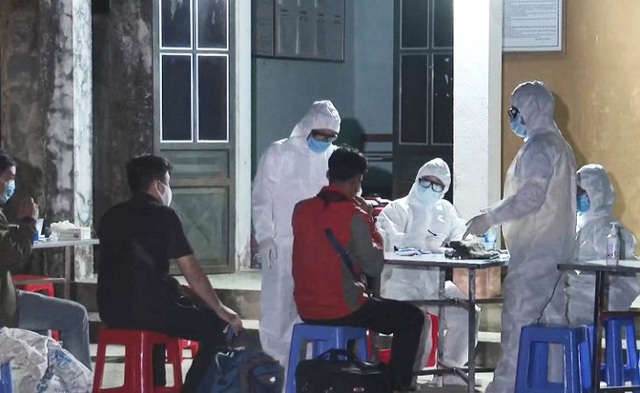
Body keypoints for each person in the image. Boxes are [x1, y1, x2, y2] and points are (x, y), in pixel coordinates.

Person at [464, 81, 577, 393]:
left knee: (517, 327)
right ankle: (553, 386)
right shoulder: (557, 145)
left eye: (515, 111)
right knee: (553, 324)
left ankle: (505, 388)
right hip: (554, 253)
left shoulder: (540, 147)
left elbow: (530, 199)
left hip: (536, 253)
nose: (512, 117)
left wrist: (489, 218)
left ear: (532, 109)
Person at [98, 155, 243, 392]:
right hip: (149, 310)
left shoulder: (110, 216)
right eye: (168, 183)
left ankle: (154, 385)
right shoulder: (164, 216)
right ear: (158, 185)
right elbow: (192, 273)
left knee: (162, 310)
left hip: (111, 311)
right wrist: (221, 309)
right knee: (219, 328)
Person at [292, 146, 424, 393]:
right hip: (342, 307)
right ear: (356, 182)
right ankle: (396, 385)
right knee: (411, 318)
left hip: (306, 307)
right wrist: (369, 218)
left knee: (368, 307)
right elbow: (374, 265)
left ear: (329, 175)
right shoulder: (354, 214)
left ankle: (346, 375)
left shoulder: (301, 210)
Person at [252, 100, 341, 367]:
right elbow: (262, 197)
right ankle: (277, 363)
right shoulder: (280, 153)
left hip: (320, 248)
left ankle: (313, 365)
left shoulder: (334, 158)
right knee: (278, 305)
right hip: (282, 243)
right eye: (320, 135)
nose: (324, 140)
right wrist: (264, 235)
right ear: (307, 128)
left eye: (330, 136)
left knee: (314, 305)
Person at [376, 158, 477, 385]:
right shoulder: (396, 209)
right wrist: (421, 243)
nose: (431, 188)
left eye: (437, 185)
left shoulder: (446, 210)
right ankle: (408, 379)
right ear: (417, 179)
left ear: (445, 188)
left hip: (433, 285)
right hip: (400, 285)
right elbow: (385, 242)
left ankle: (451, 370)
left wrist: (473, 240)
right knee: (417, 322)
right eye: (426, 181)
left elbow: (460, 234)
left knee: (466, 310)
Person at [0, 149, 91, 369]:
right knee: (76, 316)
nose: (12, 185)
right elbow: (13, 258)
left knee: (43, 332)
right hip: (5, 308)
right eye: (9, 178)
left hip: (9, 297)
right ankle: (80, 384)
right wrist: (29, 221)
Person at [566, 164, 640, 325]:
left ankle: (585, 348)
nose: (578, 199)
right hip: (585, 293)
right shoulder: (578, 230)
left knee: (569, 312)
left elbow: (612, 274)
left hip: (608, 294)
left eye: (583, 194)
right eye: (576, 194)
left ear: (598, 194)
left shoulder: (609, 229)